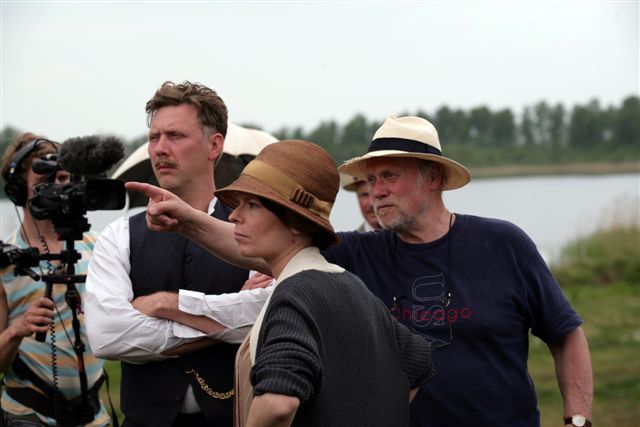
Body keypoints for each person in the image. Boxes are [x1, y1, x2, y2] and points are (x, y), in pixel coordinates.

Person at [127, 115, 593, 427]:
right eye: (370, 181)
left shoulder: (502, 243)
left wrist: (577, 421)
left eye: (389, 177)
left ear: (432, 177)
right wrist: (186, 218)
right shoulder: (355, 255)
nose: (375, 193)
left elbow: (564, 333)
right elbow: (258, 243)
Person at [131, 139, 435, 426]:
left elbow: (278, 404)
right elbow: (418, 360)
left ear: (294, 221)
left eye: (252, 204)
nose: (235, 215)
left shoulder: (294, 295)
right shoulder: (355, 288)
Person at [84, 81, 253, 427]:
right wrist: (221, 324)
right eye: (153, 137)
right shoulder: (119, 236)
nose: (159, 149)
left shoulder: (252, 231)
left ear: (214, 145)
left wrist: (165, 306)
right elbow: (108, 336)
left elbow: (262, 316)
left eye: (175, 136)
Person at [1, 133, 110, 426]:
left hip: (93, 414)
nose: (57, 189)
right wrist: (16, 330)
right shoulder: (5, 263)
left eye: (63, 178)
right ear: (17, 191)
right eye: (44, 182)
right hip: (28, 415)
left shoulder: (99, 247)